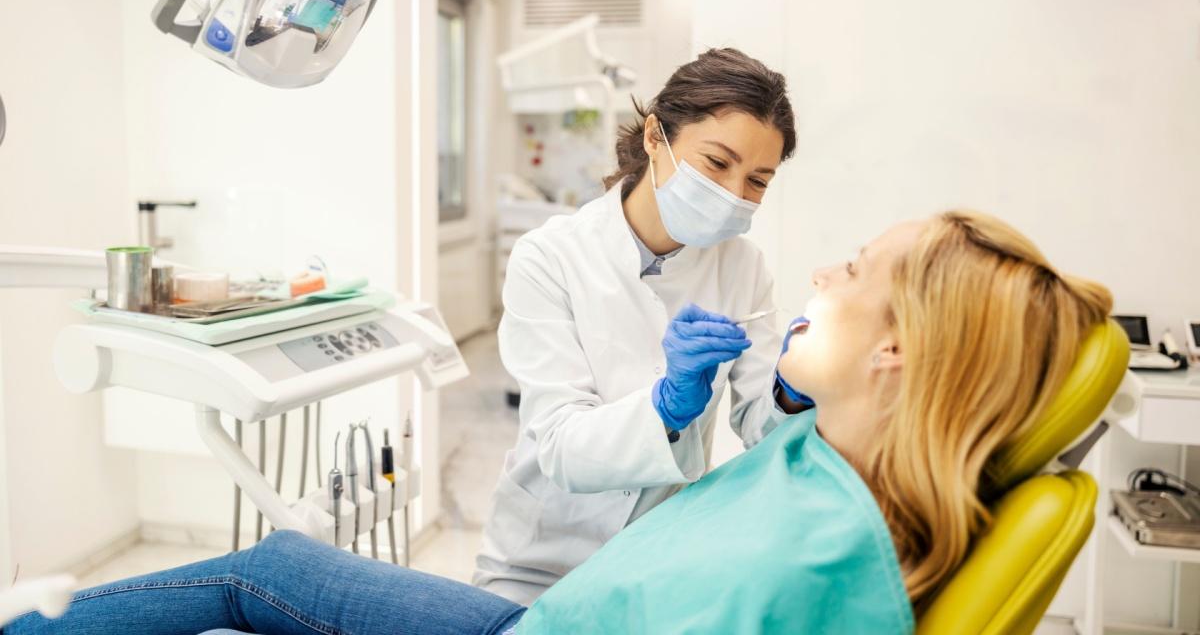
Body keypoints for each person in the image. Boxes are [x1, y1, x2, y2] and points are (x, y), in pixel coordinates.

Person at [6, 210, 1112, 635]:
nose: (821, 265)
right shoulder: (836, 484)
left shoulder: (801, 548)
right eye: (722, 165)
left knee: (252, 584)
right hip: (553, 599)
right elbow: (575, 440)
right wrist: (742, 397)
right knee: (277, 564)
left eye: (857, 268)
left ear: (898, 353)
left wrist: (701, 402)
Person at [474, 48, 801, 604]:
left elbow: (761, 426)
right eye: (717, 163)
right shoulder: (550, 256)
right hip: (536, 561)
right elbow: (558, 446)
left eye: (758, 181)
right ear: (655, 137)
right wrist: (667, 406)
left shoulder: (742, 267)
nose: (732, 193)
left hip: (652, 559)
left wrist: (794, 389)